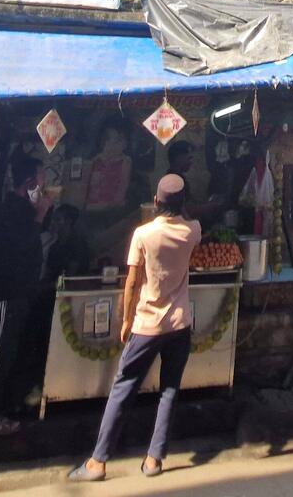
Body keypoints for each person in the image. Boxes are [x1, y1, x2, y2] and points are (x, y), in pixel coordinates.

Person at [68, 174, 201, 482]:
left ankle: (98, 461)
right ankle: (154, 459)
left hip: (146, 324)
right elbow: (191, 219)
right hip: (179, 325)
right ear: (183, 203)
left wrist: (126, 319)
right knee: (169, 390)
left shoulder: (143, 234)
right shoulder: (192, 230)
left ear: (155, 202)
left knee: (123, 389)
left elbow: (131, 282)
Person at [0, 154, 52, 434]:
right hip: (10, 290)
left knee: (12, 350)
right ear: (31, 182)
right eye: (42, 179)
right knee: (1, 350)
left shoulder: (21, 208)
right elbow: (22, 246)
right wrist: (41, 214)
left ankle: (6, 404)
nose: (44, 185)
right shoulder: (13, 210)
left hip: (23, 290)